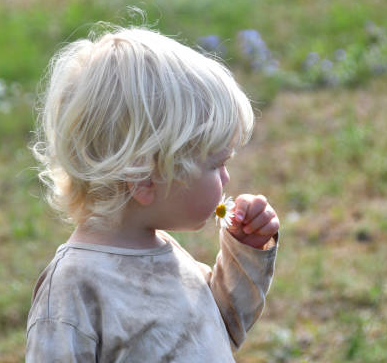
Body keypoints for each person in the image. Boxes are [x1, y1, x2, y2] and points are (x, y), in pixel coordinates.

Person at [26, 25, 280, 362]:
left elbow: (224, 325)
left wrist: (246, 252)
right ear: (144, 177)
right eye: (216, 165)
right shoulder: (74, 289)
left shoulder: (168, 258)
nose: (227, 177)